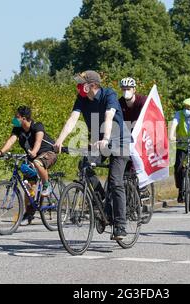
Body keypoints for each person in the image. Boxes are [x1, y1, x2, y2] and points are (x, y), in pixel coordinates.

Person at [54, 71, 132, 241]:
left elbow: (109, 116)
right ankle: (103, 200)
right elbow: (72, 119)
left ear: (92, 85)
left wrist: (105, 138)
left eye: (81, 83)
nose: (78, 86)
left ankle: (120, 225)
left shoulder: (108, 94)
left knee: (115, 181)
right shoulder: (81, 99)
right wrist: (59, 141)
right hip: (99, 142)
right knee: (84, 164)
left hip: (119, 141)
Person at [0, 106, 58, 225]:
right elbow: (11, 140)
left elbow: (38, 141)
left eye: (16, 117)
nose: (14, 119)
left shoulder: (37, 126)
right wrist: (1, 151)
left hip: (48, 153)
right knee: (27, 184)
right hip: (32, 157)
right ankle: (29, 212)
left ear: (23, 118)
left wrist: (34, 152)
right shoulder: (18, 128)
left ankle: (46, 185)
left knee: (38, 163)